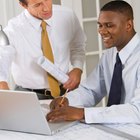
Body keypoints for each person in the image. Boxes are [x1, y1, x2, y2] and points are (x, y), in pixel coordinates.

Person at [47, 1, 140, 124]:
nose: (102, 31)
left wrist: (82, 113)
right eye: (100, 25)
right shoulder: (109, 56)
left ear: (128, 25)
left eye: (109, 25)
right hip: (115, 128)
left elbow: (137, 111)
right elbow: (91, 90)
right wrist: (67, 100)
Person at [0, 0, 86, 99]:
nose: (46, 8)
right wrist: (5, 93)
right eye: (37, 5)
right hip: (30, 97)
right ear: (23, 5)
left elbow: (78, 45)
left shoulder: (67, 15)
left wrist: (78, 69)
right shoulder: (13, 30)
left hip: (65, 94)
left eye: (47, 0)